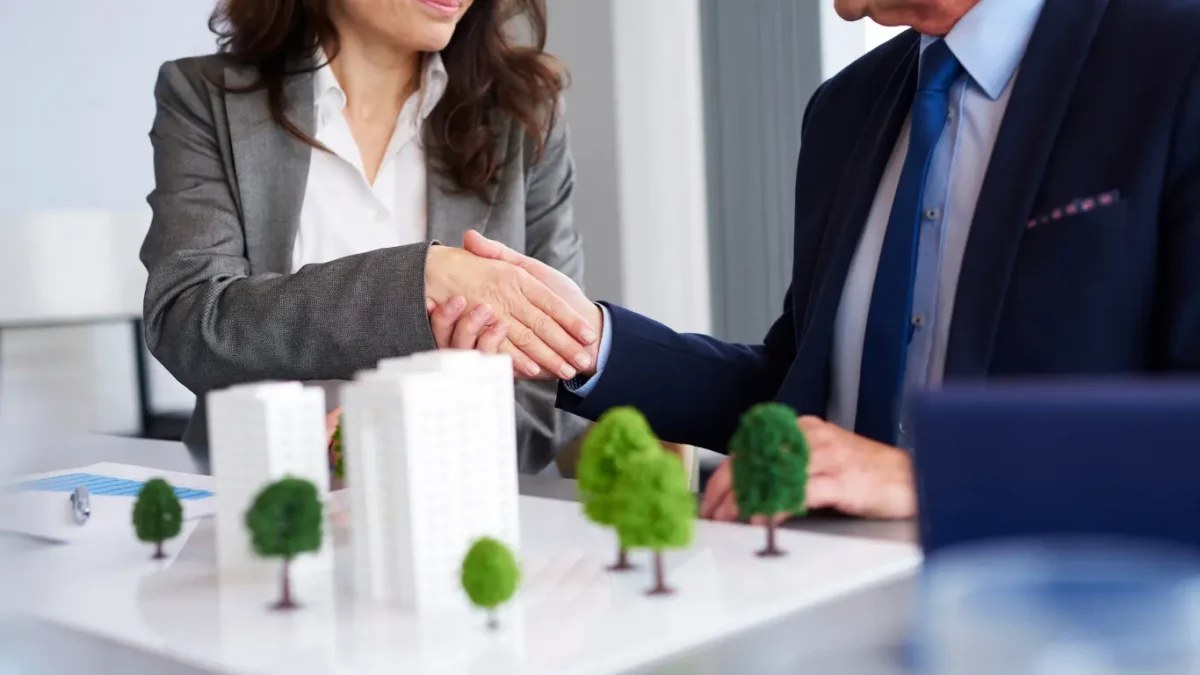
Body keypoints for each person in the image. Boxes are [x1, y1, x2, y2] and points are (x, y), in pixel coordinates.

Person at [441, 0, 1200, 519]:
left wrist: (932, 478)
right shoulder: (846, 109)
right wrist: (587, 343)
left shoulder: (1176, 59)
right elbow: (798, 392)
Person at [141, 0, 599, 472]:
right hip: (260, 502)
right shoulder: (206, 97)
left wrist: (437, 436)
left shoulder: (522, 114)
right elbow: (189, 321)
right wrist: (417, 278)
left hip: (457, 511)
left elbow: (561, 375)